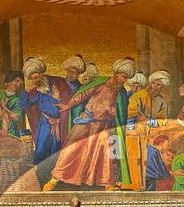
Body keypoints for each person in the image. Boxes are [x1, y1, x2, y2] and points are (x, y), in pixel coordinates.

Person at [46, 60, 132, 189]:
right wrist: (68, 105)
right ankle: (55, 179)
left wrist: (113, 112)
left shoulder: (121, 91)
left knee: (105, 153)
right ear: (116, 73)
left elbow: (120, 109)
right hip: (86, 120)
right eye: (123, 77)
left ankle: (108, 183)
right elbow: (82, 95)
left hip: (103, 125)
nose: (123, 80)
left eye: (125, 78)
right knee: (72, 148)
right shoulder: (101, 82)